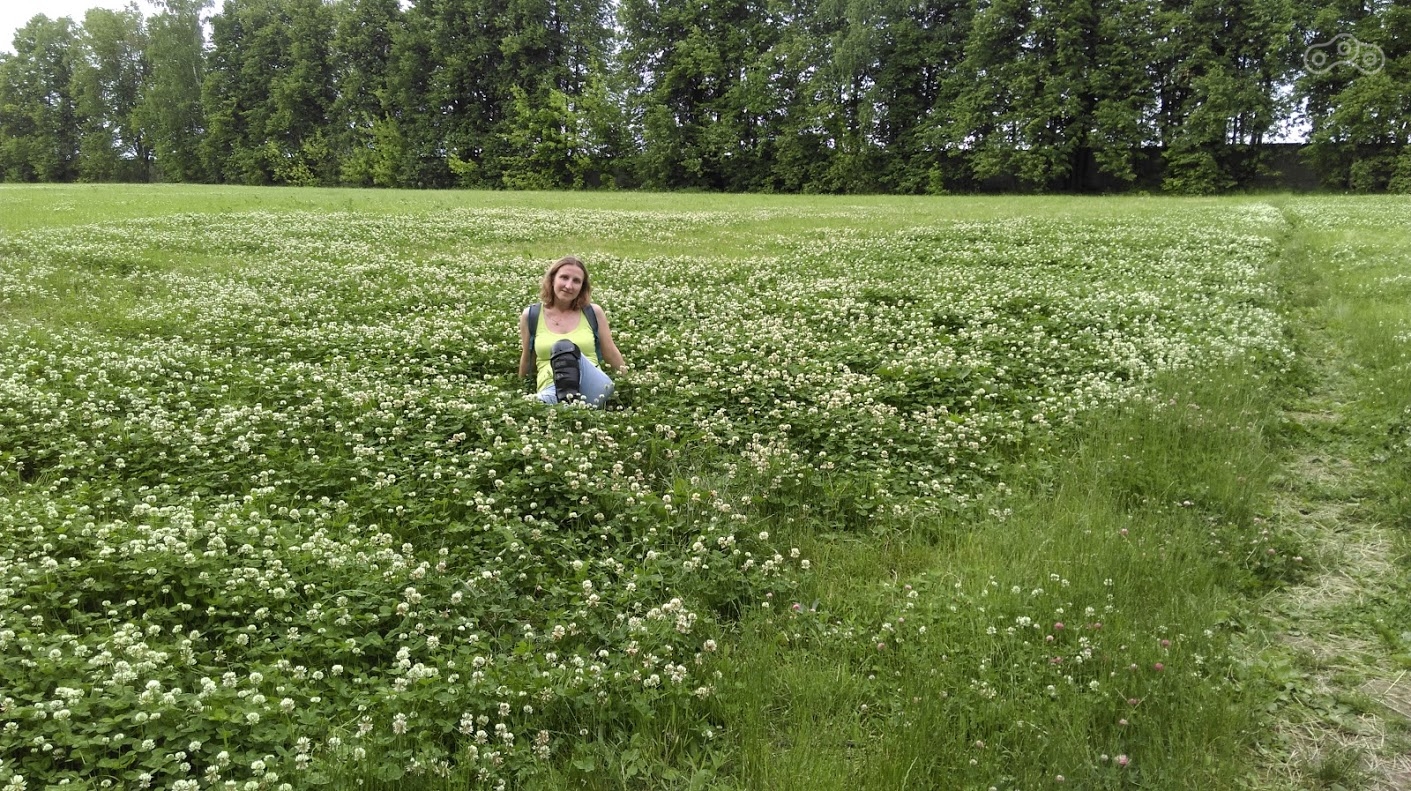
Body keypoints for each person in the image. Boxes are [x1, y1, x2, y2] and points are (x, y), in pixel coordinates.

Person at [518, 255, 626, 407]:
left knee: (563, 347)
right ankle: (566, 407)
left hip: (593, 387)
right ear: (552, 279)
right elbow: (527, 359)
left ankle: (565, 407)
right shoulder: (531, 315)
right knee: (528, 404)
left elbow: (611, 352)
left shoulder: (593, 312)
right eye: (564, 277)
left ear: (582, 287)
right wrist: (521, 387)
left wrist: (630, 383)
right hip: (551, 389)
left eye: (576, 281)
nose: (569, 286)